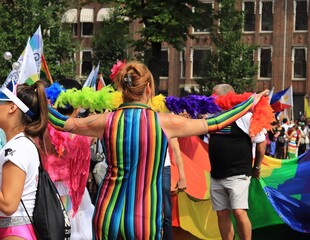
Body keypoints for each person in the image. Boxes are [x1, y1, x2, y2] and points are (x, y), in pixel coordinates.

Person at [48, 61, 269, 239]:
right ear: (149, 89)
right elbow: (215, 123)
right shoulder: (164, 122)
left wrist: (37, 100)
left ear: (121, 90)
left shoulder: (105, 120)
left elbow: (62, 123)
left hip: (107, 213)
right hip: (144, 217)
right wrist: (249, 103)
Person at [208, 84, 266, 240]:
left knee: (239, 212)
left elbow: (261, 142)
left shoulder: (245, 117)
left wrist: (257, 167)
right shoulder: (211, 117)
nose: (212, 100)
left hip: (238, 174)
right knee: (222, 213)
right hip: (216, 175)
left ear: (228, 97)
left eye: (215, 97)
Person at [43, 79, 94, 240]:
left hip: (46, 190)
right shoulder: (83, 136)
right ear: (77, 105)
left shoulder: (41, 130)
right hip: (73, 192)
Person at [0, 80, 48, 239]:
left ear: (13, 107)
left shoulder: (17, 148)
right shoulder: (24, 143)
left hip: (13, 232)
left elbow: (8, 204)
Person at [163, 138, 186, 240]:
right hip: (142, 170)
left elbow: (176, 150)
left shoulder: (165, 122)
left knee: (167, 212)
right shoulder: (137, 122)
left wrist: (182, 177)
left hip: (163, 170)